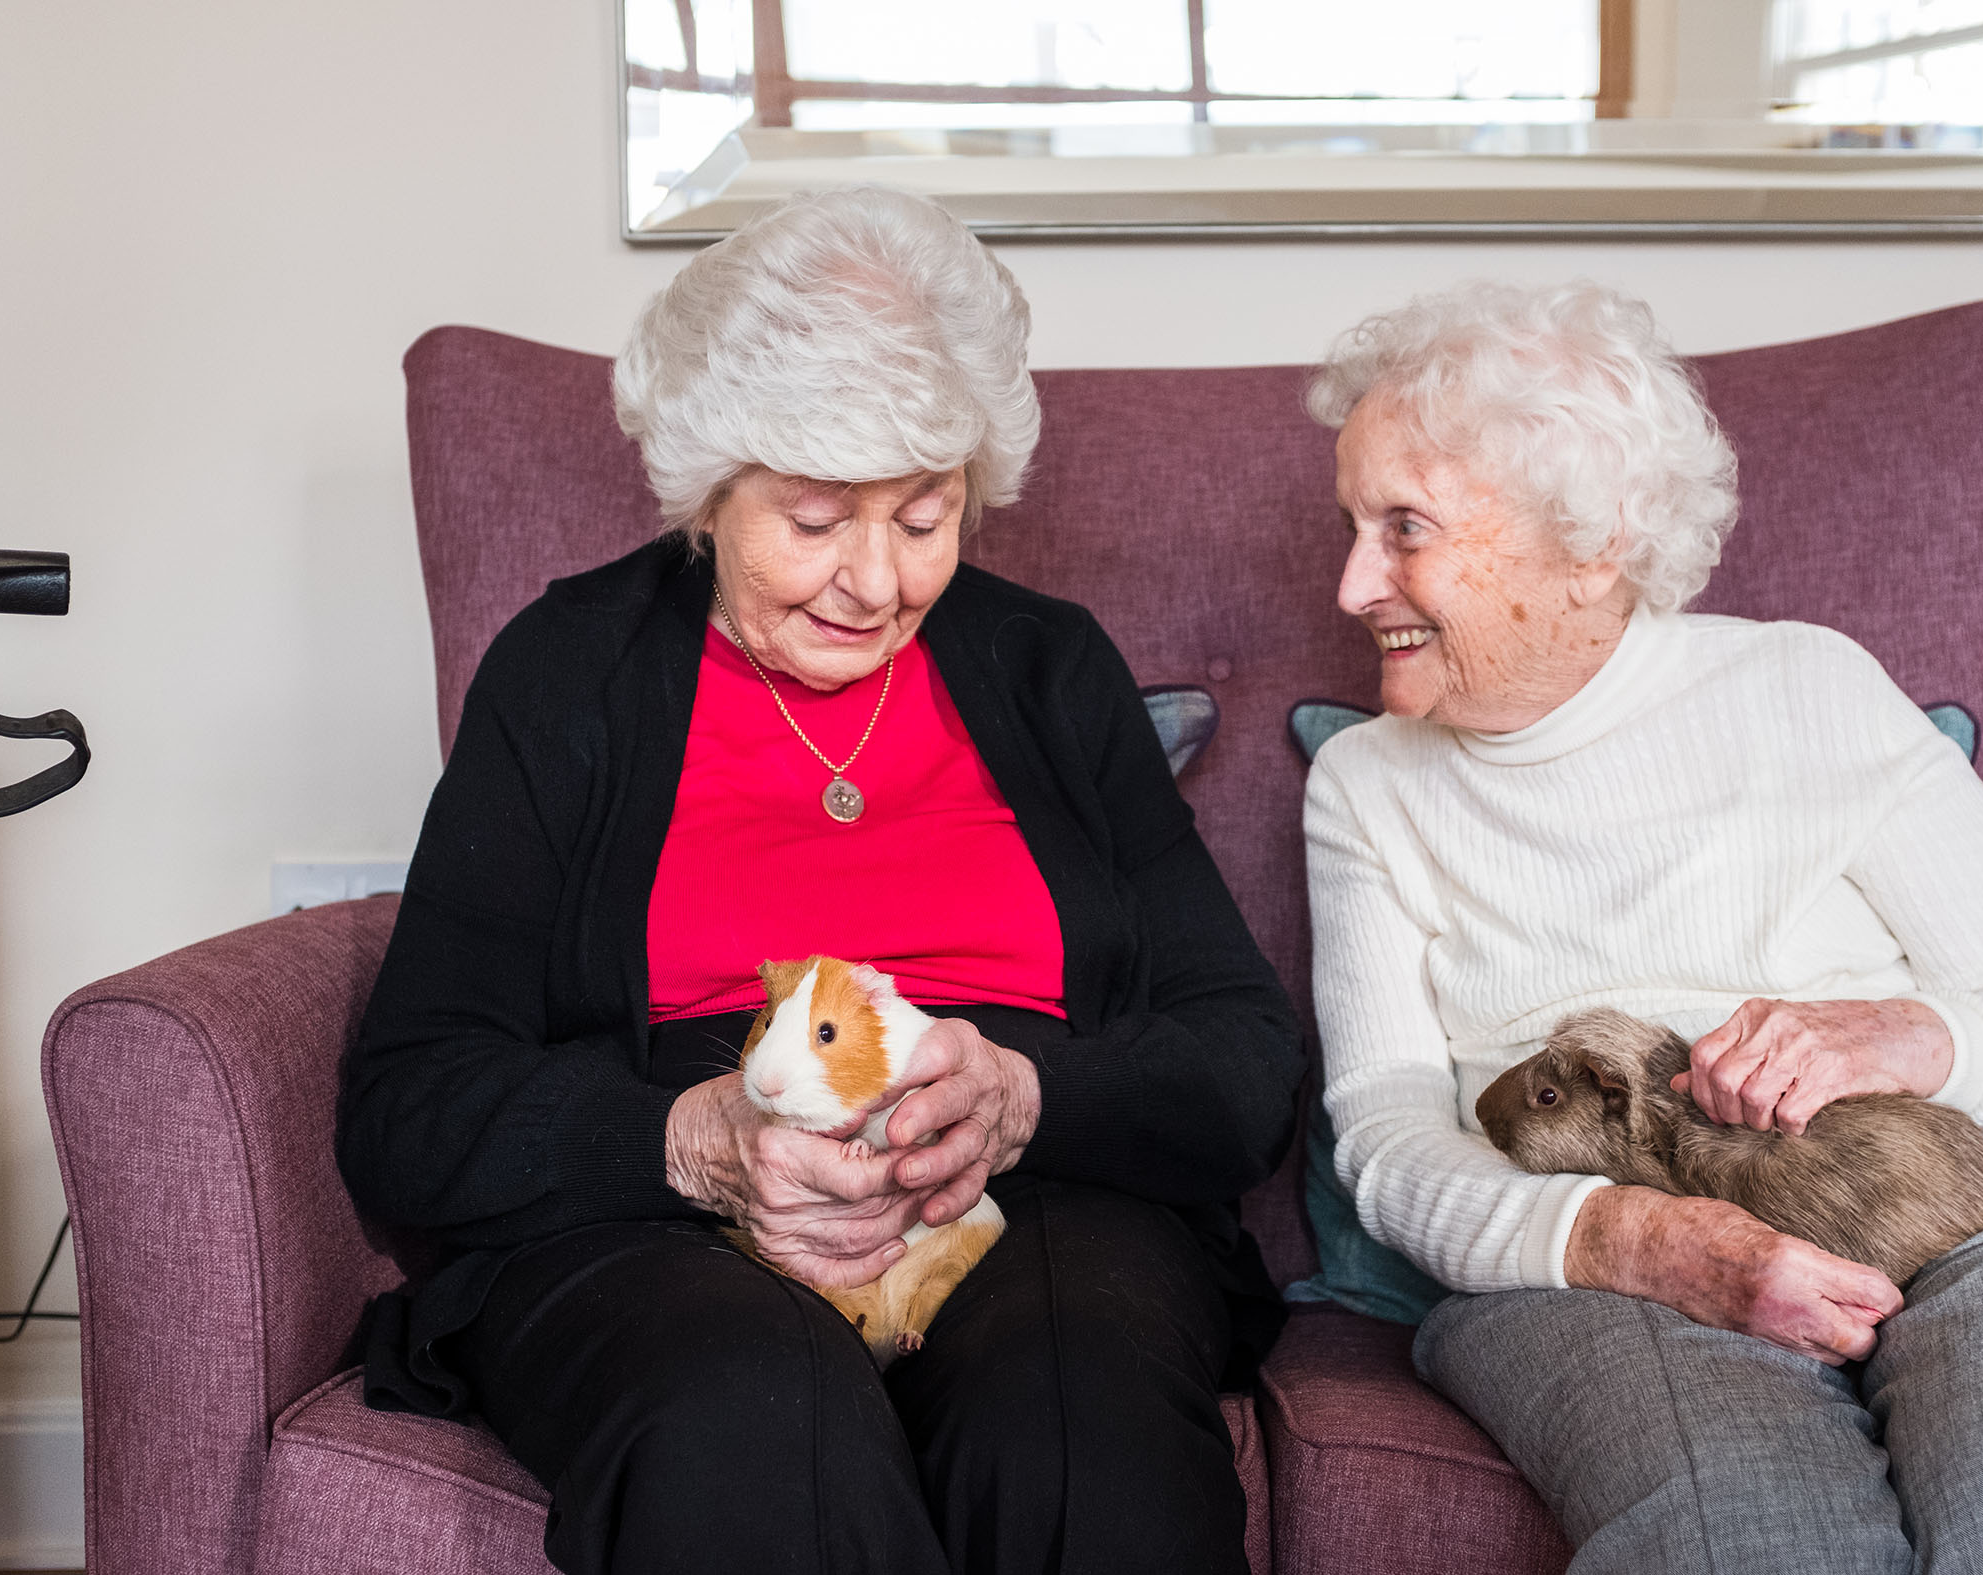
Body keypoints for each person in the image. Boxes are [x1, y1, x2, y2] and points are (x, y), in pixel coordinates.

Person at [337, 185, 1302, 1575]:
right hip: (660, 1210)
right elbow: (412, 1099)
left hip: (1035, 1194)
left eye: (924, 518)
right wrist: (696, 1143)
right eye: (812, 519)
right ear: (707, 490)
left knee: (1078, 1420)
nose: (873, 581)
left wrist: (1026, 1097)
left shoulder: (1047, 669)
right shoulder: (571, 675)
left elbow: (1241, 1061)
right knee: (750, 1418)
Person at [1302, 279, 1983, 1575]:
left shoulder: (1807, 687)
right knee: (1749, 1540)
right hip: (1587, 1236)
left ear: (1594, 539)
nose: (1353, 586)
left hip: (1960, 1173)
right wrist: (1624, 1238)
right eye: (1352, 527)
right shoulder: (1366, 784)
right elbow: (1387, 1136)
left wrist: (1911, 1037)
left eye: (1401, 528)